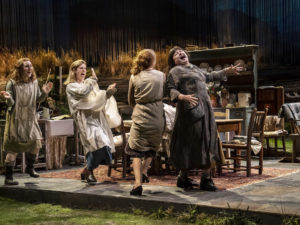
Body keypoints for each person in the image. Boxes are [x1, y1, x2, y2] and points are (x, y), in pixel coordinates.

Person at [166, 46, 242, 191]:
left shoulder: (194, 68)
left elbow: (210, 76)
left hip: (206, 110)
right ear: (174, 61)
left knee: (207, 140)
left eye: (181, 51)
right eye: (176, 54)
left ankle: (206, 178)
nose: (180, 53)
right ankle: (183, 177)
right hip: (189, 112)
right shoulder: (175, 71)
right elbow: (170, 89)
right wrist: (182, 96)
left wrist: (226, 71)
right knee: (188, 142)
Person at [0, 58, 53, 185]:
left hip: (30, 118)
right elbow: (11, 104)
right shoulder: (12, 83)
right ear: (19, 69)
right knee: (13, 149)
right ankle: (9, 177)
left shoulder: (34, 82)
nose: (30, 69)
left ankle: (30, 167)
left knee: (36, 144)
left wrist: (45, 93)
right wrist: (7, 99)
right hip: (16, 119)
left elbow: (38, 99)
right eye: (26, 66)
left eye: (31, 66)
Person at [65, 59, 117, 184]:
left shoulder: (88, 84)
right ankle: (90, 172)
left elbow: (97, 99)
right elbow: (83, 94)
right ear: (74, 71)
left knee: (103, 142)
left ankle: (87, 170)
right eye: (80, 68)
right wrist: (92, 81)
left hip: (95, 118)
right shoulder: (71, 86)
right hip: (84, 119)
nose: (83, 70)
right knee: (91, 144)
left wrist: (108, 93)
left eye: (84, 68)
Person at [126, 49, 165, 195]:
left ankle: (137, 183)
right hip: (157, 116)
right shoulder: (161, 76)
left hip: (141, 115)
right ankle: (144, 171)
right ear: (153, 61)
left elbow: (130, 100)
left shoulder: (134, 76)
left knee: (135, 150)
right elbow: (165, 93)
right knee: (152, 147)